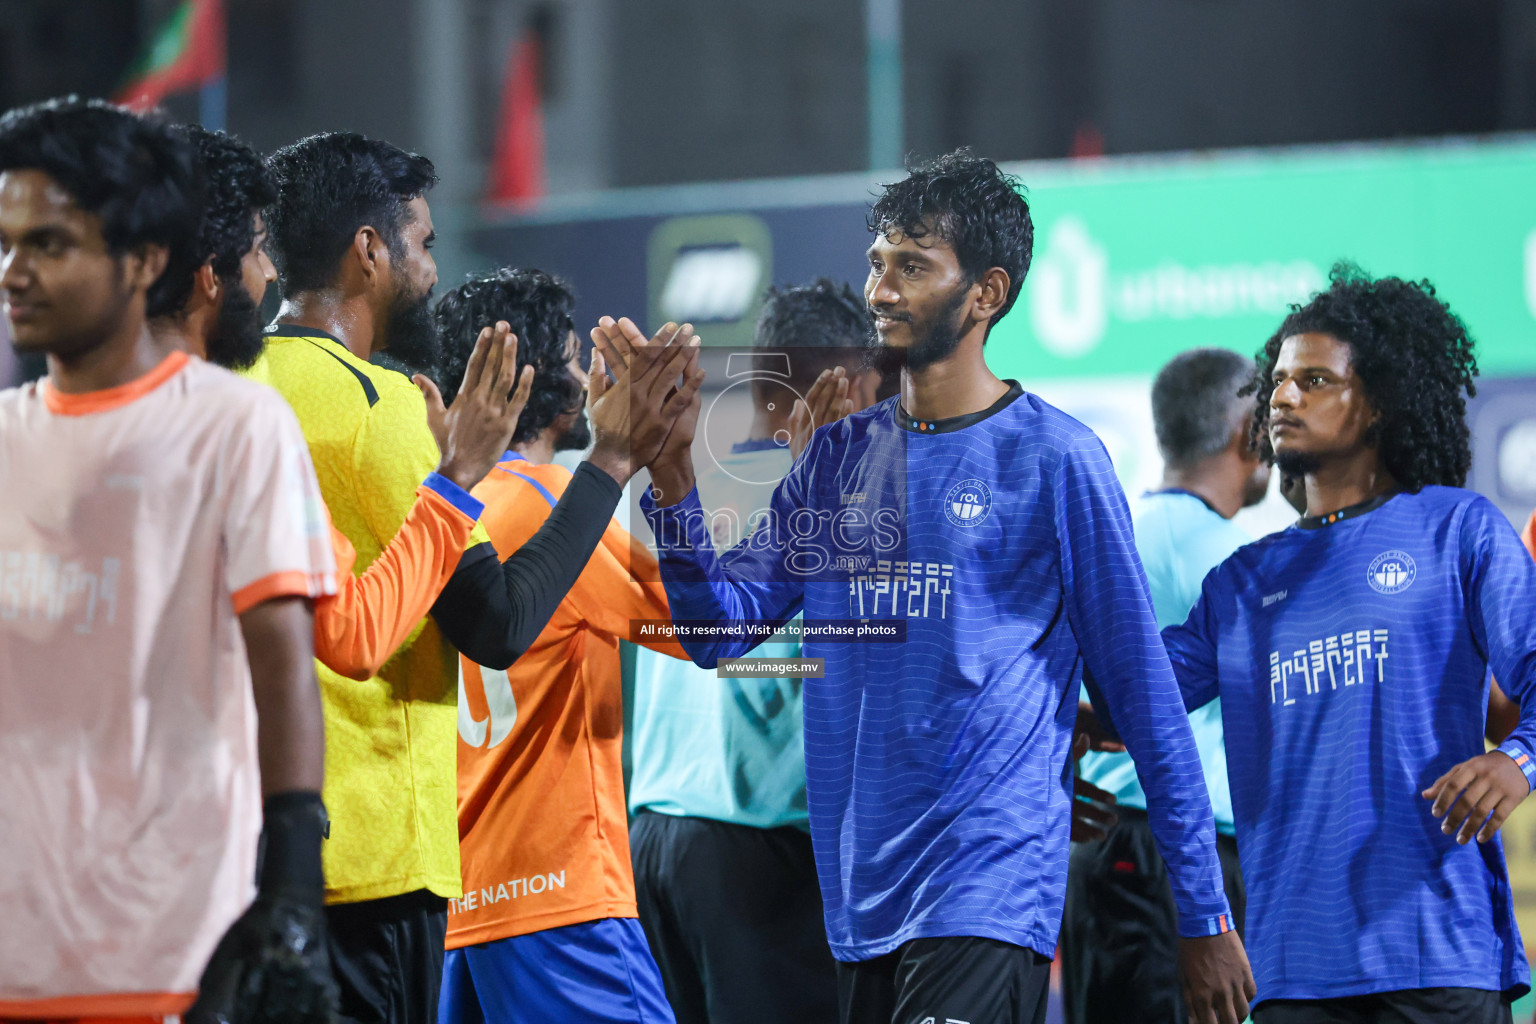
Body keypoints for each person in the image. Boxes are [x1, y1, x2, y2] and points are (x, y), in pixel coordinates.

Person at [608, 149, 1255, 1024]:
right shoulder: (837, 459)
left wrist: (1204, 914)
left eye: (913, 266)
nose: (881, 289)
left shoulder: (1057, 461)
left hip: (986, 889)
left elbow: (1145, 705)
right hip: (861, 900)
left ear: (986, 293)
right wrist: (674, 477)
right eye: (878, 263)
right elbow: (718, 632)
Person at [250, 130, 702, 1023]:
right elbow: (508, 622)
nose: (429, 272)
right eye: (420, 245)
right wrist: (625, 463)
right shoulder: (384, 415)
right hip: (406, 866)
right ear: (368, 252)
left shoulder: (233, 388)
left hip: (323, 862)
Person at [0, 99, 336, 1022]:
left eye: (49, 244)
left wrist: (293, 889)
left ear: (143, 262)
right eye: (6, 242)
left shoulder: (236, 427)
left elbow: (284, 667)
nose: (13, 272)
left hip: (178, 953)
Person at [1161, 264, 1536, 1022]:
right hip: (1293, 975)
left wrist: (1518, 758)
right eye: (1276, 382)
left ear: (1377, 405)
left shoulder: (1457, 530)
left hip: (1438, 956)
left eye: (1314, 380)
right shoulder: (1239, 584)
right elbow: (1137, 698)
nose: (1282, 396)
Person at [156, 124, 527, 683]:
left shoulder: (220, 388)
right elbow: (487, 627)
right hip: (346, 768)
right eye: (424, 245)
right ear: (369, 250)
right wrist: (610, 461)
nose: (271, 271)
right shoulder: (357, 406)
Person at [433, 269, 704, 1024]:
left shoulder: (441, 512)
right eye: (574, 356)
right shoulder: (553, 499)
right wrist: (671, 466)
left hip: (462, 911)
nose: (592, 378)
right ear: (534, 382)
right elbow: (709, 629)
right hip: (559, 898)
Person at [623, 279, 876, 1024]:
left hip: (654, 833)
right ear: (848, 382)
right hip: (759, 849)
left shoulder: (676, 478)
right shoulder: (835, 494)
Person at [1061, 347, 1269, 1024]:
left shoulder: (1125, 530)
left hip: (1104, 848)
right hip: (1174, 857)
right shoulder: (1222, 554)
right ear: (1248, 434)